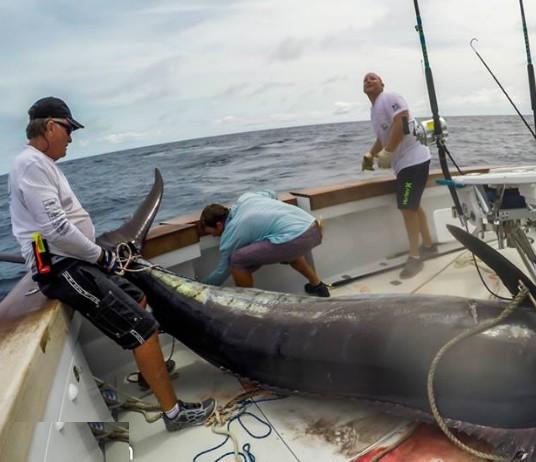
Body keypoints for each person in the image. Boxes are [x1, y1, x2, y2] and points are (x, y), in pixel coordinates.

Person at [8, 97, 215, 431]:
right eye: (68, 129)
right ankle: (174, 414)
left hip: (75, 259)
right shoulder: (30, 165)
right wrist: (100, 255)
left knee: (137, 298)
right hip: (62, 269)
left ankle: (151, 376)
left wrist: (95, 254)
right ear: (49, 127)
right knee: (143, 329)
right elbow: (56, 230)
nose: (71, 137)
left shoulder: (41, 164)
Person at [361, 72, 436, 279]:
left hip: (414, 160)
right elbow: (382, 136)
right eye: (365, 80)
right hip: (404, 165)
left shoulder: (390, 97)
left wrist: (389, 151)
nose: (368, 80)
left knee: (406, 206)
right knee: (413, 205)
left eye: (373, 78)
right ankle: (429, 245)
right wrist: (371, 153)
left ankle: (415, 257)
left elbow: (402, 122)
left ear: (382, 84)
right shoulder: (374, 110)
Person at [198, 190, 330, 296]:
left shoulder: (231, 235)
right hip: (313, 228)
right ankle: (318, 286)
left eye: (211, 232)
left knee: (236, 260)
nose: (213, 235)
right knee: (285, 242)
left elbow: (222, 273)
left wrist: (197, 287)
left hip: (294, 239)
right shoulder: (247, 198)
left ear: (219, 225)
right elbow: (271, 193)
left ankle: (249, 303)